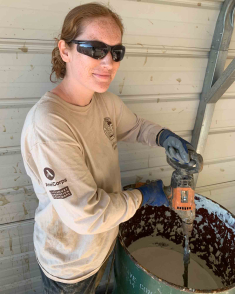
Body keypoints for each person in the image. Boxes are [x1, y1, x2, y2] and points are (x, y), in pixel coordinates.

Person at [21, 3, 196, 293]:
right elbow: (87, 215)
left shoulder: (105, 102)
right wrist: (143, 197)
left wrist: (164, 137)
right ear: (65, 50)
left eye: (116, 52)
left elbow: (136, 126)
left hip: (104, 245)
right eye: (95, 49)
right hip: (71, 264)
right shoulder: (49, 125)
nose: (108, 63)